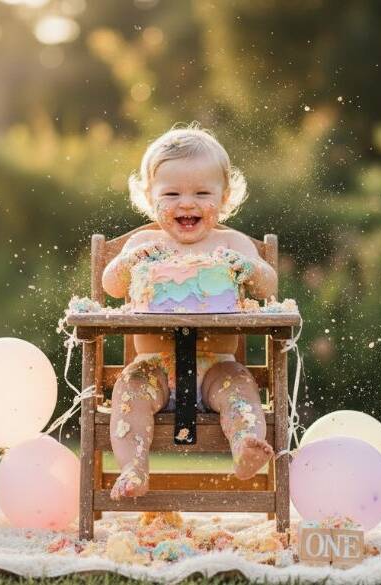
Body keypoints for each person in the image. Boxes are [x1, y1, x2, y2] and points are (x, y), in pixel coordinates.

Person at [101, 123, 278, 500]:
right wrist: (129, 262)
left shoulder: (233, 244)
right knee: (128, 392)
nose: (187, 203)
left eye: (201, 192)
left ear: (224, 196)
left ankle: (246, 445)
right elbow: (111, 286)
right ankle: (133, 469)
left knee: (241, 391)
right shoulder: (145, 243)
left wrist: (250, 268)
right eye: (172, 193)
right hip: (154, 367)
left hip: (217, 366)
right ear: (150, 198)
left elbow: (269, 287)